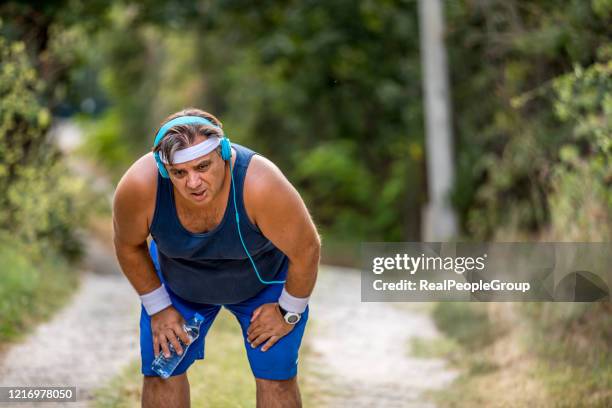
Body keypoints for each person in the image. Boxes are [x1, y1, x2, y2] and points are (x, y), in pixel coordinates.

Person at [112, 108, 320, 408]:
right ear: (163, 169)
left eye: (202, 167)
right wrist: (158, 307)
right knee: (162, 371)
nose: (193, 182)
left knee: (277, 377)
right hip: (178, 283)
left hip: (264, 282)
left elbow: (307, 249)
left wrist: (289, 311)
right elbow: (128, 245)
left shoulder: (260, 183)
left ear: (223, 154)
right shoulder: (139, 187)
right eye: (179, 173)